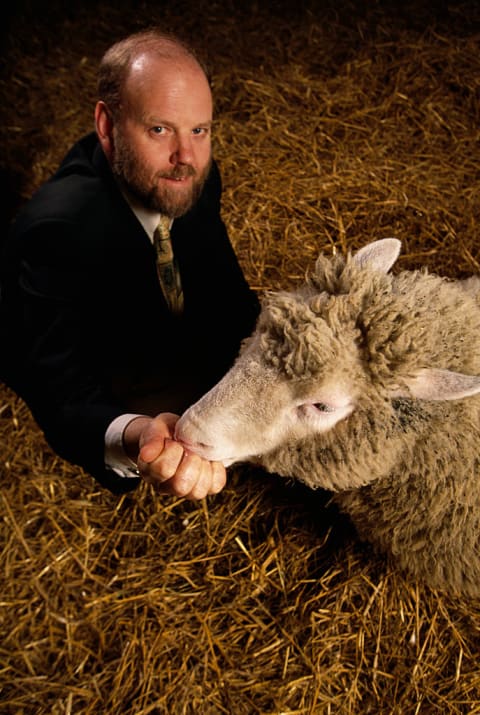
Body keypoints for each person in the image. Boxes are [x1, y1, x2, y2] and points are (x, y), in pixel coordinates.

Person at [0, 29, 259, 499]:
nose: (186, 157)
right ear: (107, 125)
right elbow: (60, 391)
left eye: (199, 130)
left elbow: (226, 290)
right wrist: (135, 433)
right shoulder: (56, 230)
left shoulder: (191, 177)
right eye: (160, 129)